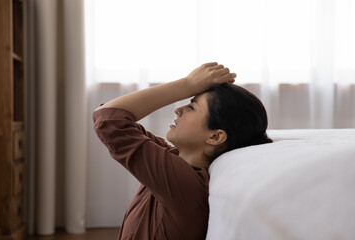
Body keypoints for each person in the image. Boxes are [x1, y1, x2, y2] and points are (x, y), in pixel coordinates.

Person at [93, 62, 272, 240]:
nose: (178, 110)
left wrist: (187, 85)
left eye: (192, 107)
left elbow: (109, 119)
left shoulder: (185, 184)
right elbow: (113, 116)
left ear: (216, 137)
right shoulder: (174, 159)